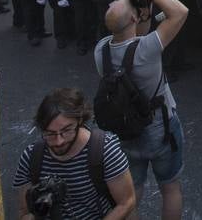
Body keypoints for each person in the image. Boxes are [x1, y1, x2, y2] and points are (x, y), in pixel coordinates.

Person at [93, 0, 190, 219]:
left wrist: (142, 15)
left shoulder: (101, 50)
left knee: (130, 195)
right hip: (159, 126)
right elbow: (180, 12)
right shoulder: (148, 50)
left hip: (123, 130)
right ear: (134, 20)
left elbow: (131, 38)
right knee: (170, 188)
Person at [13, 88, 137, 220]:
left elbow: (126, 202)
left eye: (66, 130)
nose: (59, 141)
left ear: (80, 121)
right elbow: (24, 212)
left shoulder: (105, 151)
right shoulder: (31, 158)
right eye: (50, 133)